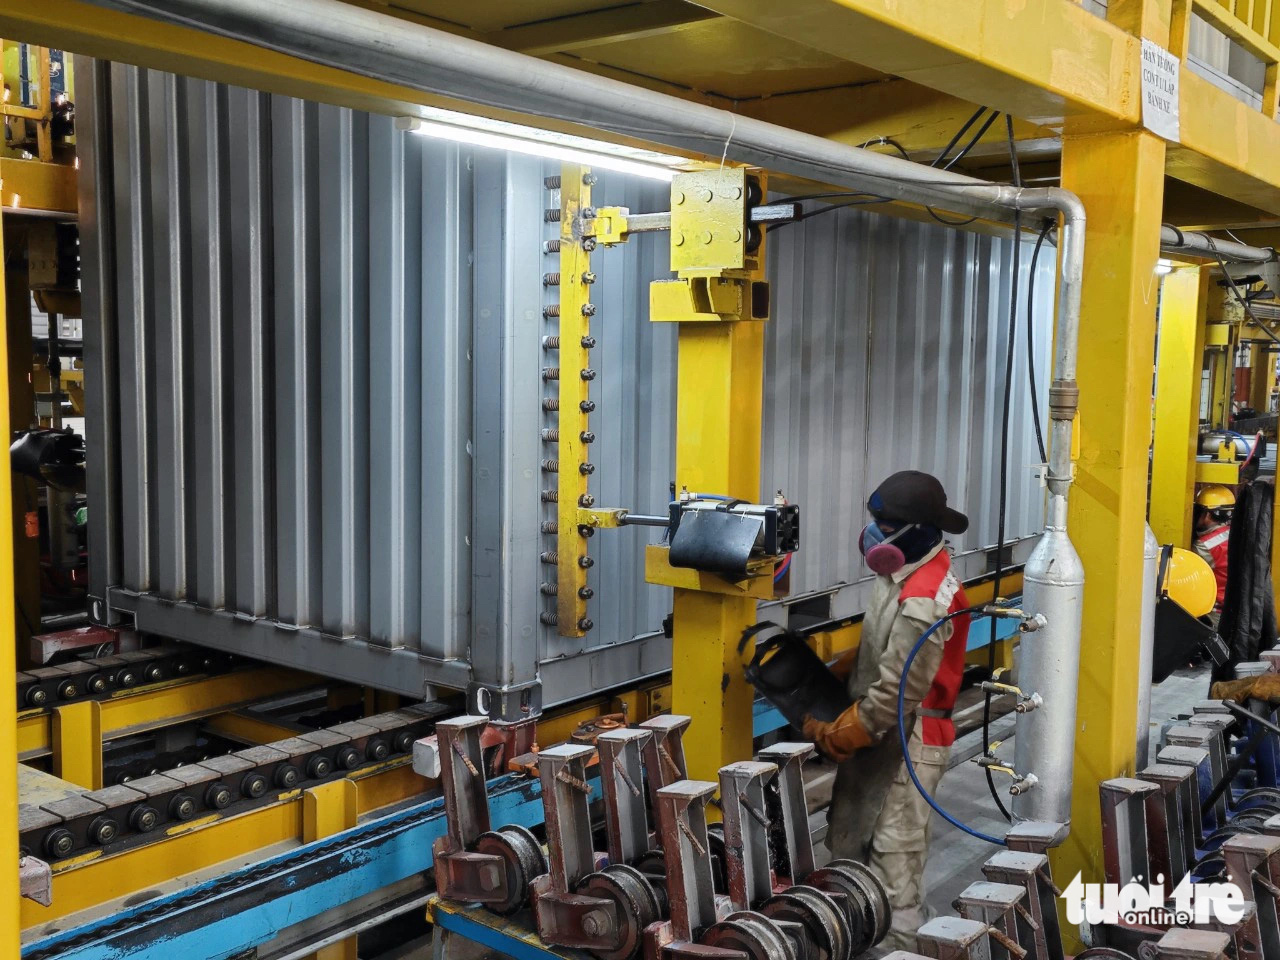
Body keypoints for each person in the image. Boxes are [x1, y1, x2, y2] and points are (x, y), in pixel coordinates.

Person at [802, 470, 972, 950]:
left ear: (917, 531)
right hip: (882, 737)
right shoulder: (903, 572)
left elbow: (897, 695)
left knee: (893, 866)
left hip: (910, 741)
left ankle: (902, 946)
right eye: (875, 520)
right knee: (851, 846)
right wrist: (845, 669)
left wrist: (839, 734)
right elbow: (887, 649)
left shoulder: (925, 598)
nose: (875, 532)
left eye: (887, 523)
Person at [1193, 484, 1234, 622]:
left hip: (1214, 614)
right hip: (1233, 608)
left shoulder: (1203, 546)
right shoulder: (1235, 534)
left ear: (1207, 515)